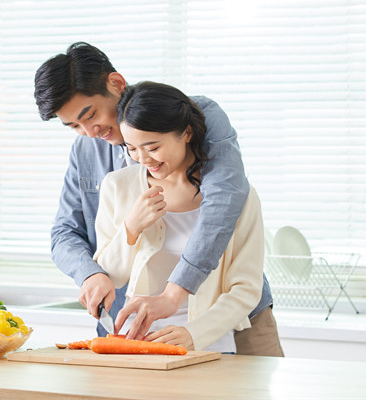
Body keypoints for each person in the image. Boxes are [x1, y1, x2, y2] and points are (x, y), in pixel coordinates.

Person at [34, 42, 283, 356]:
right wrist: (91, 273)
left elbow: (225, 200)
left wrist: (174, 296)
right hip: (136, 326)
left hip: (231, 323)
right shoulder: (98, 163)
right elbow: (66, 233)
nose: (89, 131)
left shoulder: (197, 116)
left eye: (91, 115)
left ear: (116, 84)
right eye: (73, 126)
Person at [94, 81, 264, 353]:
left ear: (186, 133)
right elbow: (110, 276)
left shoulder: (237, 197)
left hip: (206, 343)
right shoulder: (118, 186)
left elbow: (246, 288)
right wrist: (130, 228)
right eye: (132, 148)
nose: (143, 158)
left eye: (152, 147)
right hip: (134, 342)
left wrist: (192, 334)